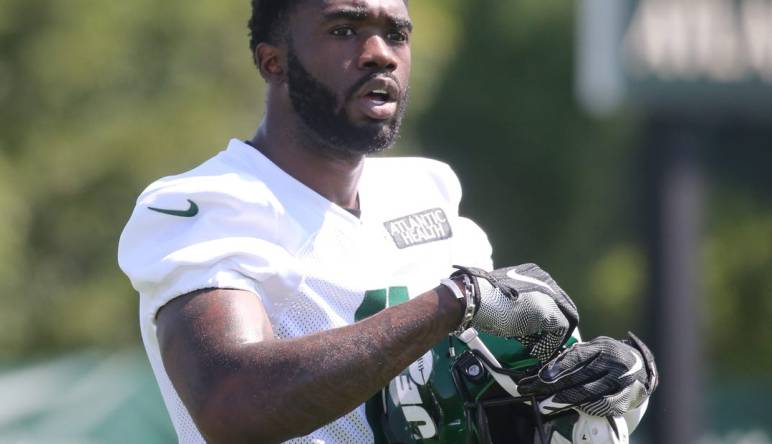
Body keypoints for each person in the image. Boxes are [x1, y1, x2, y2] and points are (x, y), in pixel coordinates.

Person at [118, 1, 657, 443]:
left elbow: (495, 371)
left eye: (396, 34)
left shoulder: (426, 190)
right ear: (272, 60)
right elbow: (230, 405)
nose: (379, 54)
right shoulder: (208, 204)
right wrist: (453, 302)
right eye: (344, 29)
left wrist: (599, 380)